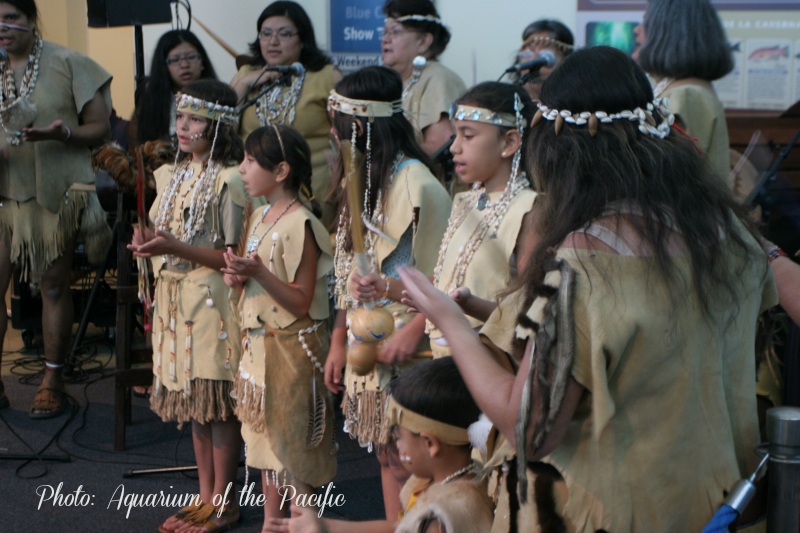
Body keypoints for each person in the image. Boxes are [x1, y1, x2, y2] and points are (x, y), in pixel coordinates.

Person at [400, 46, 778, 533]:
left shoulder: (586, 260)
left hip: (613, 514)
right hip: (718, 505)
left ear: (557, 153)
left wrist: (450, 321)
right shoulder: (730, 234)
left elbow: (529, 428)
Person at [323, 66, 451, 520]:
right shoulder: (359, 177)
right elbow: (346, 270)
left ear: (356, 126)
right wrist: (338, 340)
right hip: (367, 340)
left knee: (413, 462)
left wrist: (414, 330)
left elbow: (445, 275)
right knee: (385, 454)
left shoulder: (418, 183)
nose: (330, 133)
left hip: (408, 347)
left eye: (334, 122)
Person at [128, 80, 247, 533]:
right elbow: (164, 239)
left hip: (213, 301)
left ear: (219, 125)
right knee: (195, 404)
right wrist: (148, 244)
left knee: (216, 403)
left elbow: (234, 258)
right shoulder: (170, 174)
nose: (183, 126)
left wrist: (175, 245)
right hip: (173, 299)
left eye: (195, 119)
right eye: (180, 116)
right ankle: (203, 496)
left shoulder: (231, 178)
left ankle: (224, 501)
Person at [351, 81, 538, 359]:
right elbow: (448, 283)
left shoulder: (530, 209)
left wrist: (469, 305)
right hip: (447, 362)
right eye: (455, 135)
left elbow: (530, 314)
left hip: (493, 364)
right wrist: (385, 286)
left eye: (469, 136)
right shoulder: (465, 201)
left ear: (509, 142)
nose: (454, 148)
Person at [220, 124, 336, 528]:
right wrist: (238, 276)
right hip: (258, 352)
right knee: (266, 449)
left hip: (290, 352)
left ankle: (303, 523)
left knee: (292, 448)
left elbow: (300, 300)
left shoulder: (301, 222)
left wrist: (259, 274)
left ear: (282, 170)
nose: (243, 169)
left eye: (251, 161)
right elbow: (256, 277)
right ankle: (272, 523)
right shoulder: (260, 214)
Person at [0, 0, 112, 417]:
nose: (3, 26)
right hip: (3, 194)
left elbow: (100, 126)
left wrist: (62, 133)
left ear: (31, 20)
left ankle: (52, 380)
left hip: (55, 192)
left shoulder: (68, 61)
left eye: (11, 17)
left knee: (51, 288)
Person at [266, 357, 493, 533]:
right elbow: (401, 527)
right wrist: (328, 527)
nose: (396, 445)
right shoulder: (468, 480)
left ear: (430, 444)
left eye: (399, 436)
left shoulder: (442, 518)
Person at [232, 1, 342, 227]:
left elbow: (347, 138)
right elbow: (221, 131)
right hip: (253, 188)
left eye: (284, 34)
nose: (273, 41)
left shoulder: (326, 76)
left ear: (302, 39)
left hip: (311, 188)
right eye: (266, 34)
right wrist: (245, 83)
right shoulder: (246, 74)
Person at [633, 0, 733, 184]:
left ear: (669, 32)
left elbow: (663, 174)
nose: (637, 30)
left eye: (646, 21)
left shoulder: (686, 95)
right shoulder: (685, 90)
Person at [382, 0, 465, 156]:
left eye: (395, 31)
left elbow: (439, 147)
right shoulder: (399, 81)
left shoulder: (438, 79)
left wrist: (382, 157)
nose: (386, 39)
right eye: (385, 31)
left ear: (424, 41)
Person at [130, 29, 218, 149]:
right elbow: (138, 144)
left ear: (202, 62)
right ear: (163, 66)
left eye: (191, 57)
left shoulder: (217, 95)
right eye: (175, 60)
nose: (184, 65)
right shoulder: (150, 100)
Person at [516, 19, 574, 101]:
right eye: (528, 53)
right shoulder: (506, 101)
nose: (534, 60)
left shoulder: (576, 106)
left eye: (546, 55)